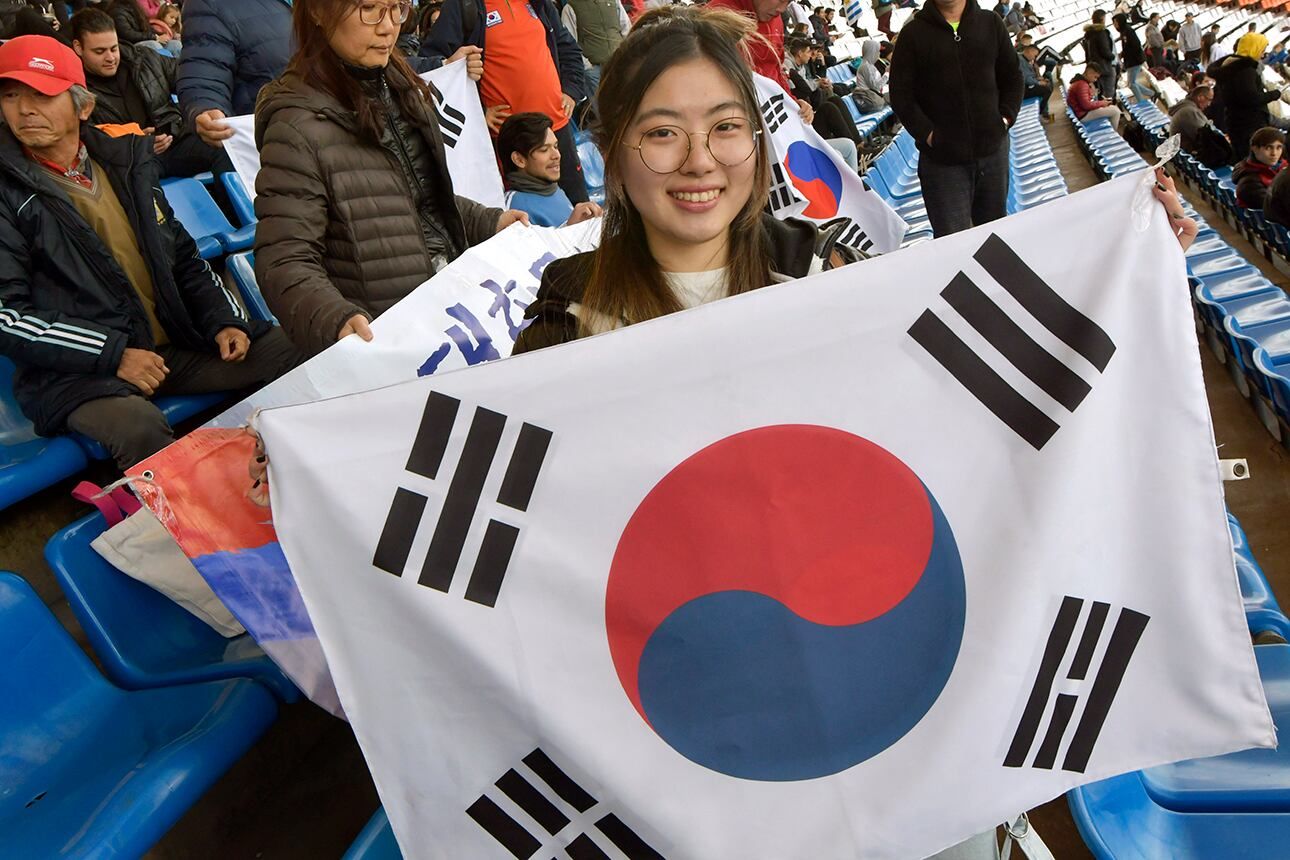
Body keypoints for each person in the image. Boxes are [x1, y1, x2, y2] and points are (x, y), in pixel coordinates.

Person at [0, 35, 302, 469]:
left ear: (82, 107)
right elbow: (7, 315)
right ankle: (181, 527)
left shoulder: (125, 162)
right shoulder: (7, 191)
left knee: (292, 347)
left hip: (169, 348)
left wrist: (220, 319)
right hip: (79, 375)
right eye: (11, 96)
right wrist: (112, 355)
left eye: (41, 95)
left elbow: (181, 254)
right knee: (138, 427)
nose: (24, 109)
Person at [514, 5, 864, 356]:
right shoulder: (565, 328)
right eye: (663, 133)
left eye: (726, 126)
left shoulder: (831, 273)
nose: (699, 162)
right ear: (610, 153)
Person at [254, 0, 530, 356]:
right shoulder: (295, 125)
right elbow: (284, 259)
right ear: (319, 12)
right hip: (389, 341)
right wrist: (335, 318)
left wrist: (490, 221)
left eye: (396, 8)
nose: (387, 27)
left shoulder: (403, 89)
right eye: (369, 8)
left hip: (450, 316)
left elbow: (418, 205)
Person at [419, 0, 591, 205]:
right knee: (526, 222)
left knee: (580, 210)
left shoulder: (539, 3)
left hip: (556, 129)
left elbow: (569, 48)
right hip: (510, 140)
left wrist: (571, 90)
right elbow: (436, 65)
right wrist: (479, 111)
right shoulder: (464, 5)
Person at [888, 0, 1023, 238]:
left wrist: (1004, 119)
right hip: (942, 164)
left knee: (996, 238)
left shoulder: (991, 23)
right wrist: (930, 136)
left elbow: (1012, 76)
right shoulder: (913, 35)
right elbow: (901, 96)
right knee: (952, 245)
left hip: (993, 153)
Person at [71, 9, 232, 177]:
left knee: (227, 150)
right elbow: (89, 140)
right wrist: (137, 145)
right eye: (99, 51)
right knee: (140, 181)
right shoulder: (75, 90)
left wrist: (203, 106)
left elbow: (191, 79)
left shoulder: (144, 59)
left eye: (114, 48)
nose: (110, 57)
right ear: (78, 47)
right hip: (131, 162)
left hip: (176, 140)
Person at [177, 0, 292, 149]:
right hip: (273, 143)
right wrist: (207, 106)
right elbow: (203, 67)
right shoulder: (210, 5)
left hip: (324, 129)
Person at [705, 0, 816, 130]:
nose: (782, 9)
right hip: (744, 126)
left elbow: (777, 71)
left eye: (788, 3)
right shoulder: (718, 16)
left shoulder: (776, 20)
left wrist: (792, 102)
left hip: (774, 118)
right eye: (780, 0)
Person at [497, 111, 602, 226]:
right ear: (519, 159)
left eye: (556, 146)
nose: (556, 155)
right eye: (544, 150)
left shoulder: (554, 189)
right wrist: (570, 228)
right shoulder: (513, 208)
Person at [784, 37, 864, 151]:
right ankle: (855, 151)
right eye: (808, 52)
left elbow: (812, 83)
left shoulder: (801, 65)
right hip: (801, 122)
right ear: (800, 53)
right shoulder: (787, 65)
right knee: (828, 108)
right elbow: (805, 88)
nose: (811, 54)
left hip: (810, 111)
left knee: (835, 100)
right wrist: (816, 82)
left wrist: (821, 66)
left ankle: (859, 145)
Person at [1210, 53, 1281, 162]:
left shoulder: (1224, 74)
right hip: (1252, 124)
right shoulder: (1246, 71)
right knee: (1257, 161)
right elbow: (1251, 98)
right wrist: (1274, 94)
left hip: (1235, 123)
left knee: (1244, 160)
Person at [560, 0, 631, 99]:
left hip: (620, 64)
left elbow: (626, 29)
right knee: (603, 108)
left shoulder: (614, 2)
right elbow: (570, 43)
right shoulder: (571, 7)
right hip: (595, 70)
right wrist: (588, 67)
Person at [1169, 85, 1233, 167]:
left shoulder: (1187, 108)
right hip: (1193, 156)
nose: (1209, 104)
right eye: (1209, 100)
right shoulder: (1189, 112)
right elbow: (1206, 137)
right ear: (1200, 97)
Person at [1233, 126, 1285, 208]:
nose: (1274, 153)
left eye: (1279, 148)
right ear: (1255, 149)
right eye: (1268, 148)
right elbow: (1275, 207)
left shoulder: (1283, 167)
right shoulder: (1249, 181)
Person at [106, 0, 174, 53]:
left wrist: (161, 35)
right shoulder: (116, 11)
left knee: (174, 44)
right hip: (129, 46)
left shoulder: (134, 7)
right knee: (153, 45)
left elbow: (146, 26)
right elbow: (127, 34)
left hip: (144, 39)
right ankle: (167, 67)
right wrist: (155, 37)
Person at [1114, 12, 1149, 103]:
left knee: (1132, 84)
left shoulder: (1128, 31)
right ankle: (1151, 93)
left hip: (1134, 61)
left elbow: (1135, 45)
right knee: (1132, 83)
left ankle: (1142, 101)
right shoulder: (1124, 31)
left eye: (1115, 22)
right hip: (1132, 61)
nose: (1114, 25)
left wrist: (1124, 54)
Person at [1082, 9, 1116, 99]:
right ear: (1102, 18)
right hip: (1105, 67)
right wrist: (1112, 57)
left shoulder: (1088, 34)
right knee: (1108, 92)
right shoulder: (1101, 32)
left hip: (1094, 67)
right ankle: (1110, 110)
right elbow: (1105, 51)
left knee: (1100, 92)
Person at [1019, 43, 1052, 120]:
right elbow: (1026, 79)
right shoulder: (1020, 61)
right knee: (1046, 90)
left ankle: (1043, 111)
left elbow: (1030, 76)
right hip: (1020, 91)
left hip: (1024, 86)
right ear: (1030, 51)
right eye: (1035, 56)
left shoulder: (1024, 60)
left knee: (1047, 85)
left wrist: (1039, 78)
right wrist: (1039, 82)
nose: (1035, 58)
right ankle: (1041, 112)